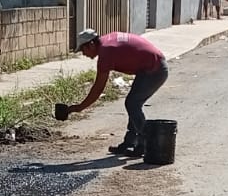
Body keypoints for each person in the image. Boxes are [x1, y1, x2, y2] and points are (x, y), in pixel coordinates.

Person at [69, 28, 168, 157]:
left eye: (83, 50)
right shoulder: (106, 42)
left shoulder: (106, 52)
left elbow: (98, 88)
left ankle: (145, 143)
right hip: (149, 67)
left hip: (155, 70)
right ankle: (130, 143)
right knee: (133, 104)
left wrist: (79, 107)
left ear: (91, 44)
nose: (83, 54)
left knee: (132, 104)